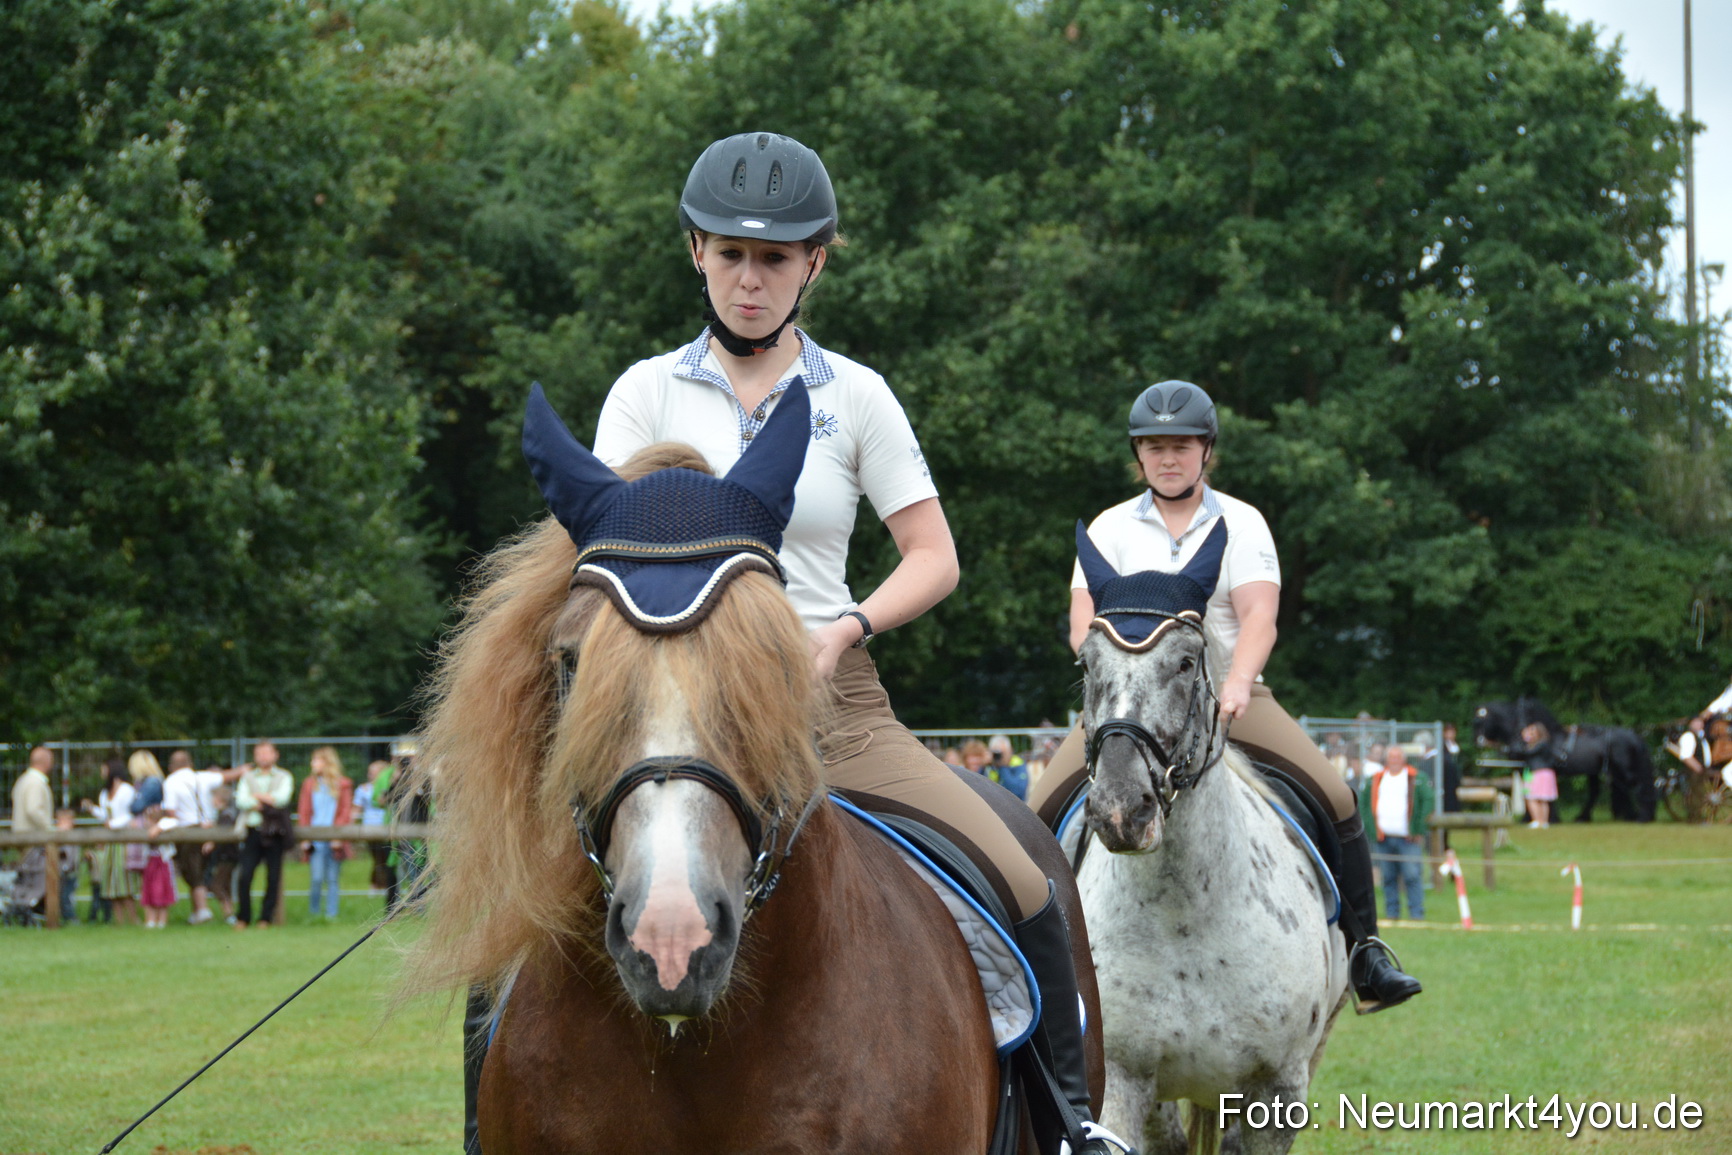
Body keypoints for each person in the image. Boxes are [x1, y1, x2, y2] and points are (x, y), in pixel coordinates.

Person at [581, 131, 1132, 1155]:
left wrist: (848, 625)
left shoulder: (856, 397)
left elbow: (932, 554)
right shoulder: (642, 394)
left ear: (815, 264)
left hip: (833, 707)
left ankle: (1068, 1123)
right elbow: (600, 557)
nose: (752, 278)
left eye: (776, 258)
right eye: (732, 254)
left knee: (1024, 871)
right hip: (667, 705)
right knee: (521, 914)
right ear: (696, 251)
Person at [1029, 380, 1422, 1014]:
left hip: (1229, 697)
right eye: (1154, 447)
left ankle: (1365, 951)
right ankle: (1031, 964)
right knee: (1037, 807)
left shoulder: (1241, 522)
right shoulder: (1107, 528)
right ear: (1138, 455)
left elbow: (1259, 616)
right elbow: (1083, 624)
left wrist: (1237, 683)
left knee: (1338, 795)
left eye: (1180, 446)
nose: (1168, 459)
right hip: (1129, 705)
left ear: (1206, 450)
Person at [159, 750, 236, 924]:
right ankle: (198, 911)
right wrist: (246, 769)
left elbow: (171, 811)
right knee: (201, 871)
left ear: (171, 766)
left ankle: (202, 910)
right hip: (208, 829)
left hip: (187, 830)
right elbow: (228, 776)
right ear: (190, 764)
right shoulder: (203, 777)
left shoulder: (171, 782)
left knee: (193, 872)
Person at [1359, 744, 1433, 921]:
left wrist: (1418, 828)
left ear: (1403, 759)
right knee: (1388, 877)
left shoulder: (1416, 778)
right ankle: (1392, 914)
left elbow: (1428, 802)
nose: (1394, 761)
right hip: (1383, 838)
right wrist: (1371, 828)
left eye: (1397, 757)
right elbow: (1364, 805)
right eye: (1391, 757)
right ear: (1386, 760)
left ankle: (1417, 914)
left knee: (1412, 875)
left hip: (1408, 839)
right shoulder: (1375, 779)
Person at [234, 741, 294, 929]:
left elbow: (283, 799)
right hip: (253, 831)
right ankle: (243, 917)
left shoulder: (284, 776)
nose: (263, 757)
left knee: (273, 876)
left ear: (275, 755)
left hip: (275, 833)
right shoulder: (247, 776)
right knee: (245, 875)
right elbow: (241, 801)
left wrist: (257, 797)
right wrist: (269, 799)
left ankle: (265, 918)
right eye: (259, 753)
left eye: (267, 753)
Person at [297, 746, 354, 920]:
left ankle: (331, 915)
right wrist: (305, 836)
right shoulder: (309, 784)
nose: (312, 763)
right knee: (316, 877)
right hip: (315, 838)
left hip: (335, 838)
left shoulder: (343, 784)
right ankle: (313, 913)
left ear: (326, 762)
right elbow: (304, 810)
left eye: (316, 760)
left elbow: (345, 811)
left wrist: (338, 835)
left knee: (332, 878)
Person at [87, 760, 140, 926]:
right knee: (111, 882)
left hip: (124, 840)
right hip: (110, 842)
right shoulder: (105, 793)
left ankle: (133, 919)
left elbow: (130, 814)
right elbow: (105, 815)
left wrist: (114, 824)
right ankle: (119, 921)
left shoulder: (127, 790)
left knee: (124, 880)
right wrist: (92, 809)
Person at [9, 746, 54, 913]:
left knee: (28, 877)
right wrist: (49, 828)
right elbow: (33, 809)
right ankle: (39, 911)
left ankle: (28, 910)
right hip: (33, 839)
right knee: (37, 878)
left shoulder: (22, 780)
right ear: (46, 761)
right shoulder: (36, 782)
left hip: (21, 837)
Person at [356, 760, 397, 907]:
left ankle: (385, 887)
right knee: (377, 859)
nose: (371, 775)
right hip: (370, 828)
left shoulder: (389, 784)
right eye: (370, 772)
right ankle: (376, 885)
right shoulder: (364, 789)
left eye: (374, 772)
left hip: (386, 826)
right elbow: (357, 808)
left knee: (387, 859)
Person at [204, 784, 241, 924]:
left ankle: (229, 912)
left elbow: (224, 832)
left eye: (213, 797)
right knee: (225, 884)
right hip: (228, 855)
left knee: (216, 884)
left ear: (220, 799)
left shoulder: (227, 814)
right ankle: (230, 913)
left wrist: (212, 842)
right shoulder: (226, 813)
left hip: (227, 855)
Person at [1515, 721, 1558, 828]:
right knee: (1536, 798)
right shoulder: (1541, 744)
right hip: (1533, 773)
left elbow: (1526, 752)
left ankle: (1539, 821)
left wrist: (1525, 739)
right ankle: (1541, 821)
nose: (1530, 734)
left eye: (1532, 732)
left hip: (1538, 773)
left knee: (1534, 798)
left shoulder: (1542, 745)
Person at [987, 735, 1029, 801]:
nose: (999, 757)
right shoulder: (988, 766)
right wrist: (983, 765)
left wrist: (1003, 767)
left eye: (1002, 753)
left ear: (1010, 751)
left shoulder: (1018, 764)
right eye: (996, 754)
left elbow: (1018, 792)